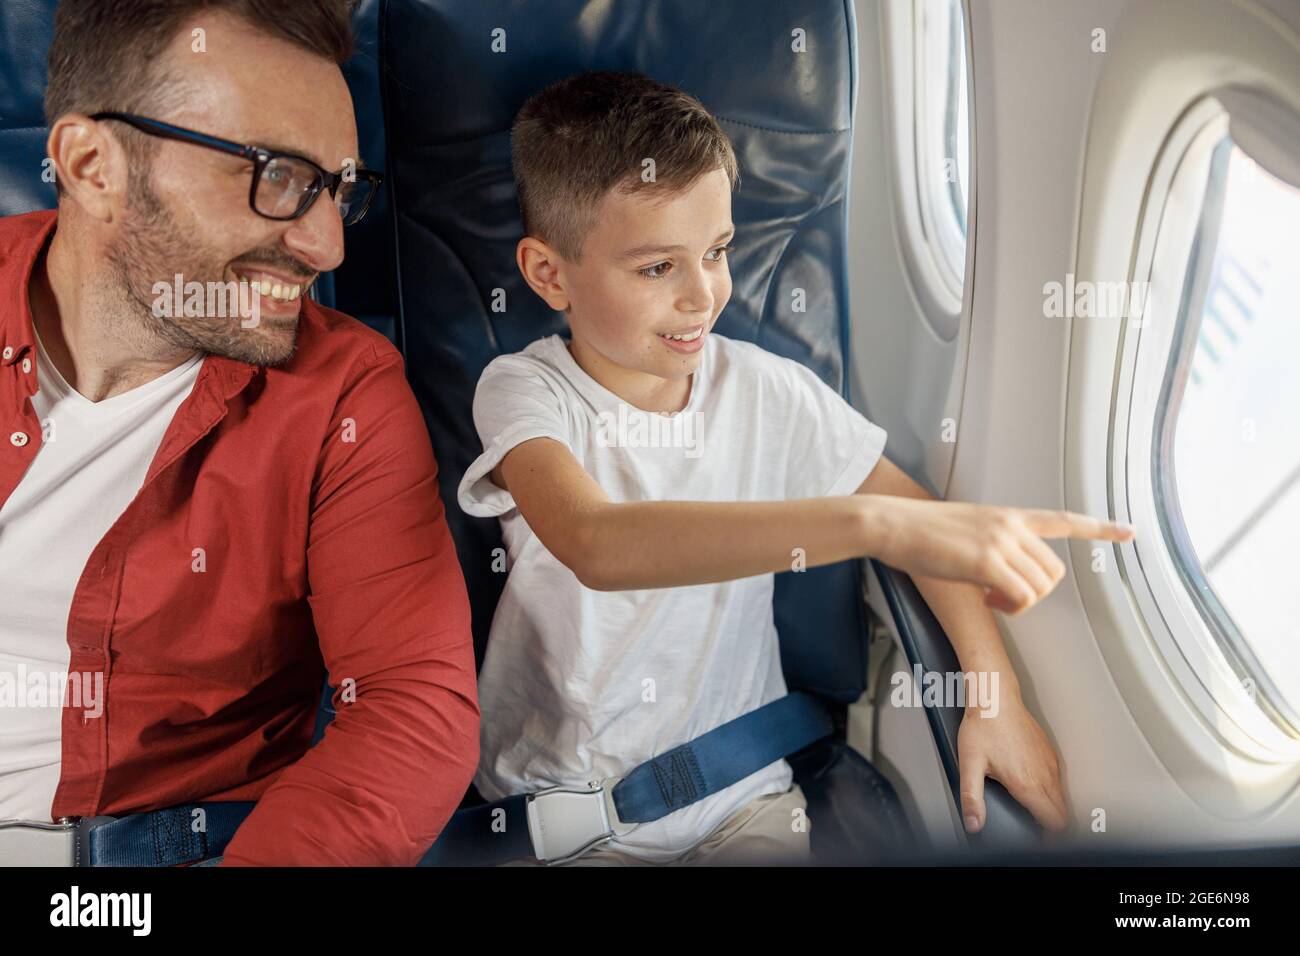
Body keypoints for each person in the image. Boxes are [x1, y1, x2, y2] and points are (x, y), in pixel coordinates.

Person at [457, 70, 1135, 865]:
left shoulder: (765, 390)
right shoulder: (527, 392)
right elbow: (598, 543)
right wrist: (869, 524)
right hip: (569, 818)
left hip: (744, 800)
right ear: (548, 275)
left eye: (716, 251)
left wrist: (996, 695)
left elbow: (918, 525)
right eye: (656, 269)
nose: (702, 294)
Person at [0, 0, 478, 866]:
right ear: (91, 164)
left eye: (339, 189)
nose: (328, 245)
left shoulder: (344, 395)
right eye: (278, 177)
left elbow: (412, 705)